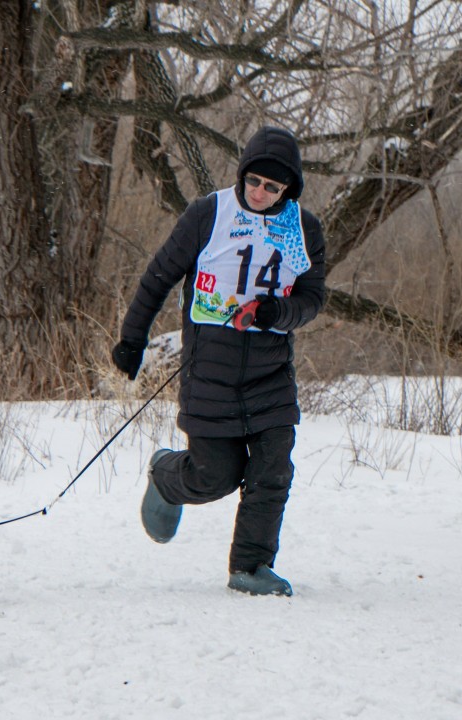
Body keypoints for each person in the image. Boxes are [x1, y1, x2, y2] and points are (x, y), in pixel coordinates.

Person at [110, 126, 326, 597]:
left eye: (274, 187)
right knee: (215, 477)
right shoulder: (209, 214)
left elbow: (313, 297)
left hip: (271, 374)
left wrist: (276, 313)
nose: (262, 193)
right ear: (242, 174)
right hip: (210, 373)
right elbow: (159, 275)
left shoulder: (302, 228)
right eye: (255, 181)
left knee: (273, 471)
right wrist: (133, 339)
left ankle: (249, 568)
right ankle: (167, 475)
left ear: (288, 190)